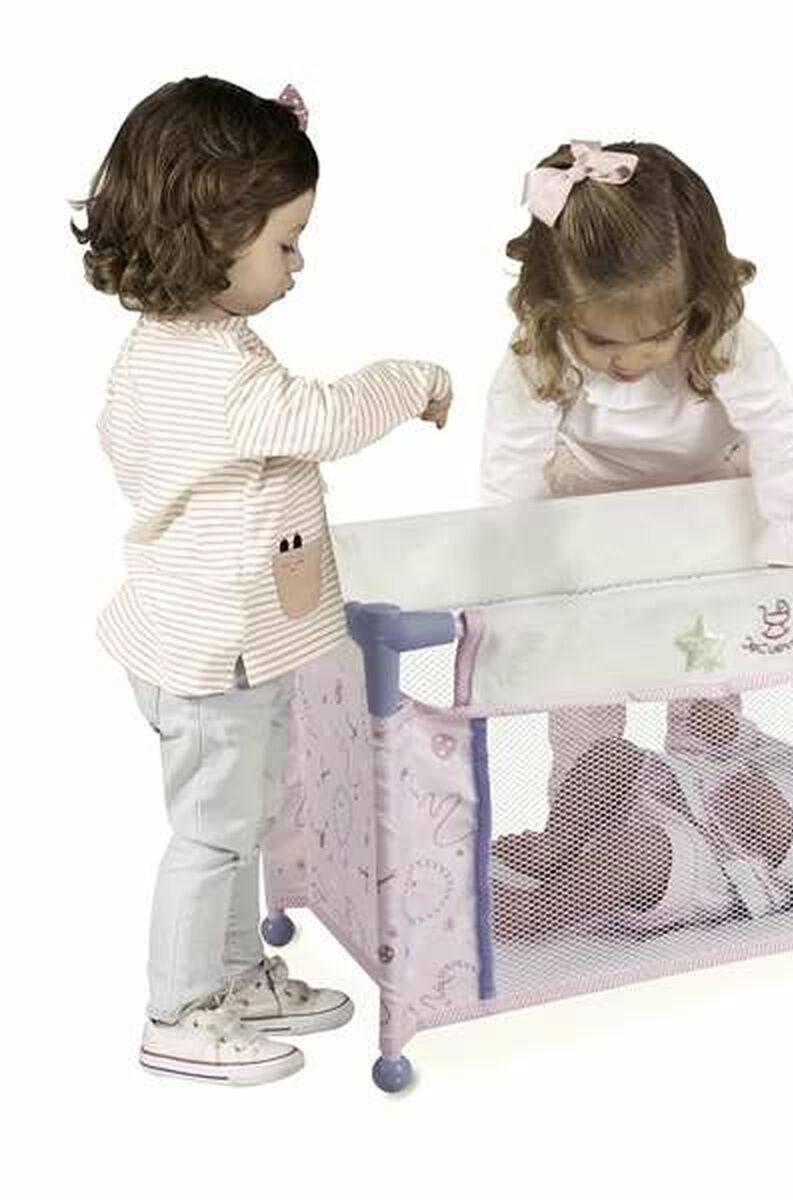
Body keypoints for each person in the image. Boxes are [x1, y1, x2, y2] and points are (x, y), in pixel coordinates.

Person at [75, 77, 453, 1085]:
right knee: (211, 836)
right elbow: (322, 418)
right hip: (211, 657)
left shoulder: (168, 347)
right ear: (215, 236)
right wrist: (412, 380)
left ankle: (236, 975)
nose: (298, 263)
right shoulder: (222, 374)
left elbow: (120, 442)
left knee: (239, 821)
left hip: (210, 640)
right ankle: (177, 1012)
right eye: (286, 242)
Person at [480, 138, 793, 817]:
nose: (631, 360)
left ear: (696, 302)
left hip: (710, 501)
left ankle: (716, 803)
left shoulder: (728, 340)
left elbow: (781, 435)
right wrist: (514, 574)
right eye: (601, 341)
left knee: (710, 664)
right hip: (591, 504)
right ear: (557, 309)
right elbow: (510, 466)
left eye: (655, 337)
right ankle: (585, 816)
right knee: (582, 670)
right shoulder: (538, 356)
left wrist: (791, 536)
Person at [492, 658, 793, 939]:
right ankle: (556, 846)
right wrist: (729, 731)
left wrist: (780, 826)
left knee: (637, 853)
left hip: (707, 865)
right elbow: (757, 748)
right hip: (672, 797)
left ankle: (541, 912)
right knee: (610, 755)